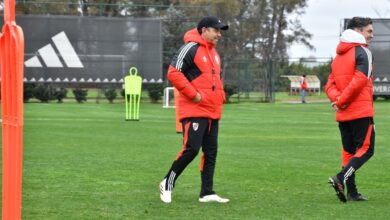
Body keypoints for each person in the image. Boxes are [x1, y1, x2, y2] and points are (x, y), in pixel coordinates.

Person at [159, 16, 229, 203]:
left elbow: (215, 81)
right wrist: (194, 95)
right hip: (194, 110)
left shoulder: (214, 54)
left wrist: (221, 96)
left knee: (211, 151)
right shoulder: (190, 48)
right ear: (204, 30)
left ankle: (207, 192)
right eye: (216, 30)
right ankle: (167, 183)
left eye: (220, 31)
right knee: (191, 149)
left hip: (212, 111)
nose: (219, 35)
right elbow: (173, 73)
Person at [325, 17, 375, 203]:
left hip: (343, 113)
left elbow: (329, 83)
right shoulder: (363, 52)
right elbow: (360, 80)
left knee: (349, 152)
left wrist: (338, 101)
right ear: (358, 31)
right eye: (369, 31)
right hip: (360, 111)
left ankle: (352, 192)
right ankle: (340, 178)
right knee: (366, 150)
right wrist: (343, 101)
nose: (372, 35)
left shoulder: (338, 56)